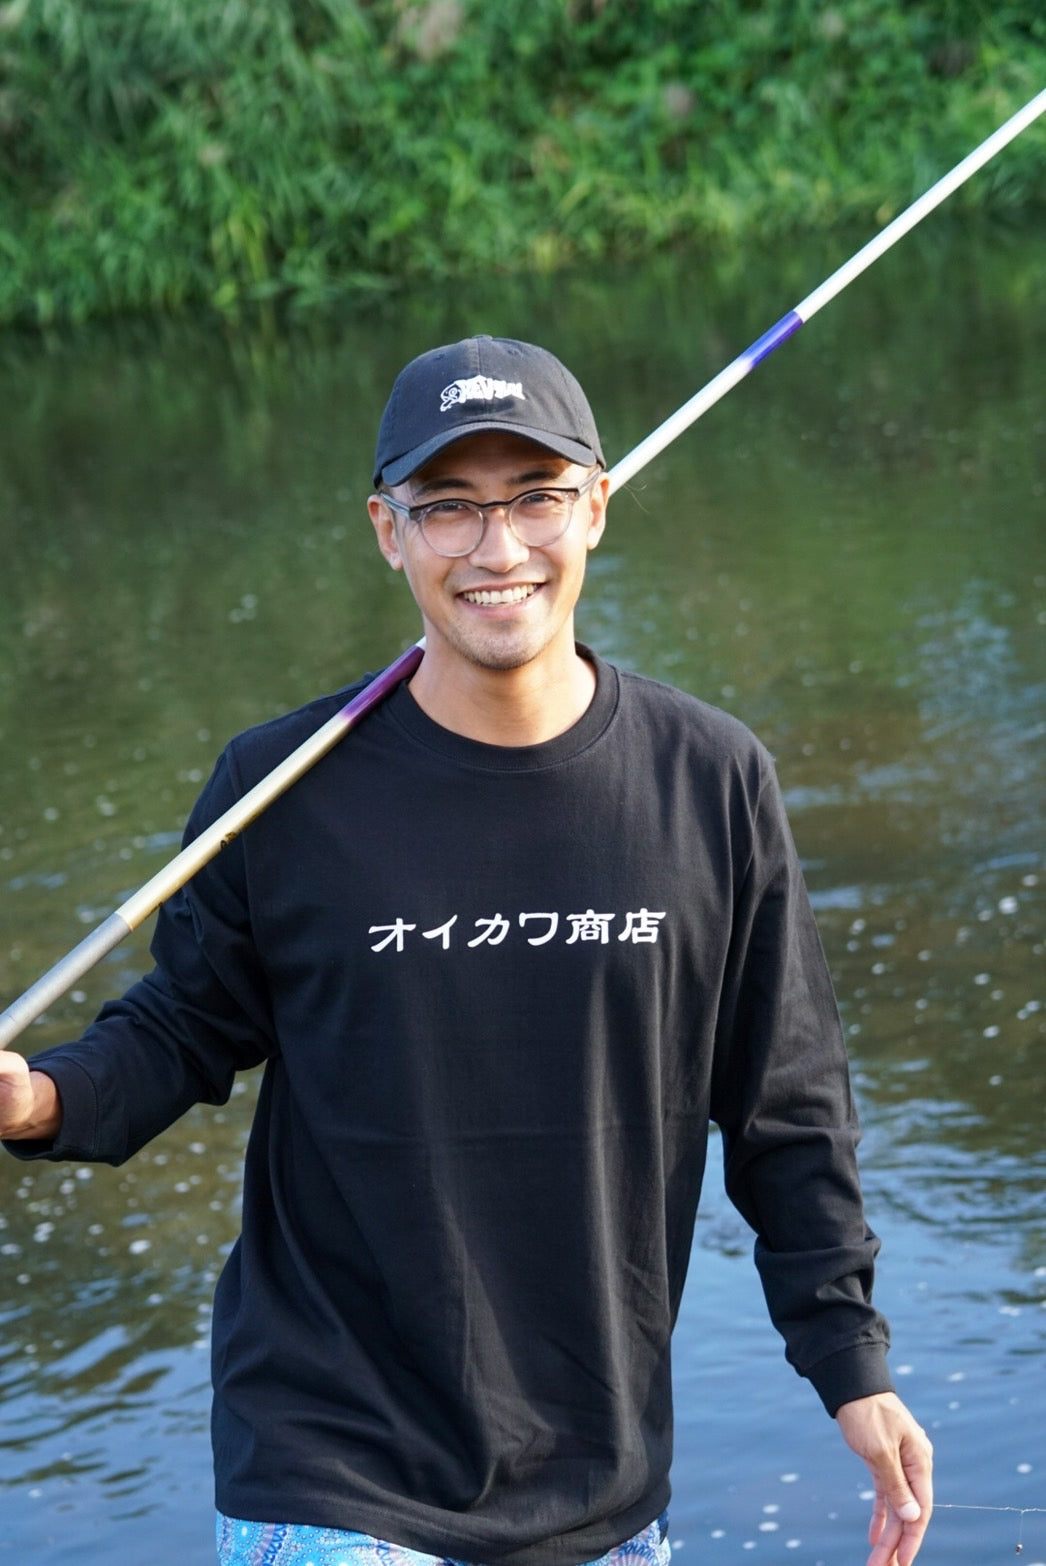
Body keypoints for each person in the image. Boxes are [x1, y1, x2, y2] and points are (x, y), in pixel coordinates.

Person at [0, 335, 932, 1566]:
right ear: (388, 531)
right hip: (329, 1467)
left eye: (535, 496)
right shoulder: (281, 789)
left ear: (595, 506)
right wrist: (38, 1096)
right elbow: (183, 1025)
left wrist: (848, 1360)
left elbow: (785, 1104)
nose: (497, 551)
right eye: (448, 506)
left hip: (600, 1480)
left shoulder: (709, 780)